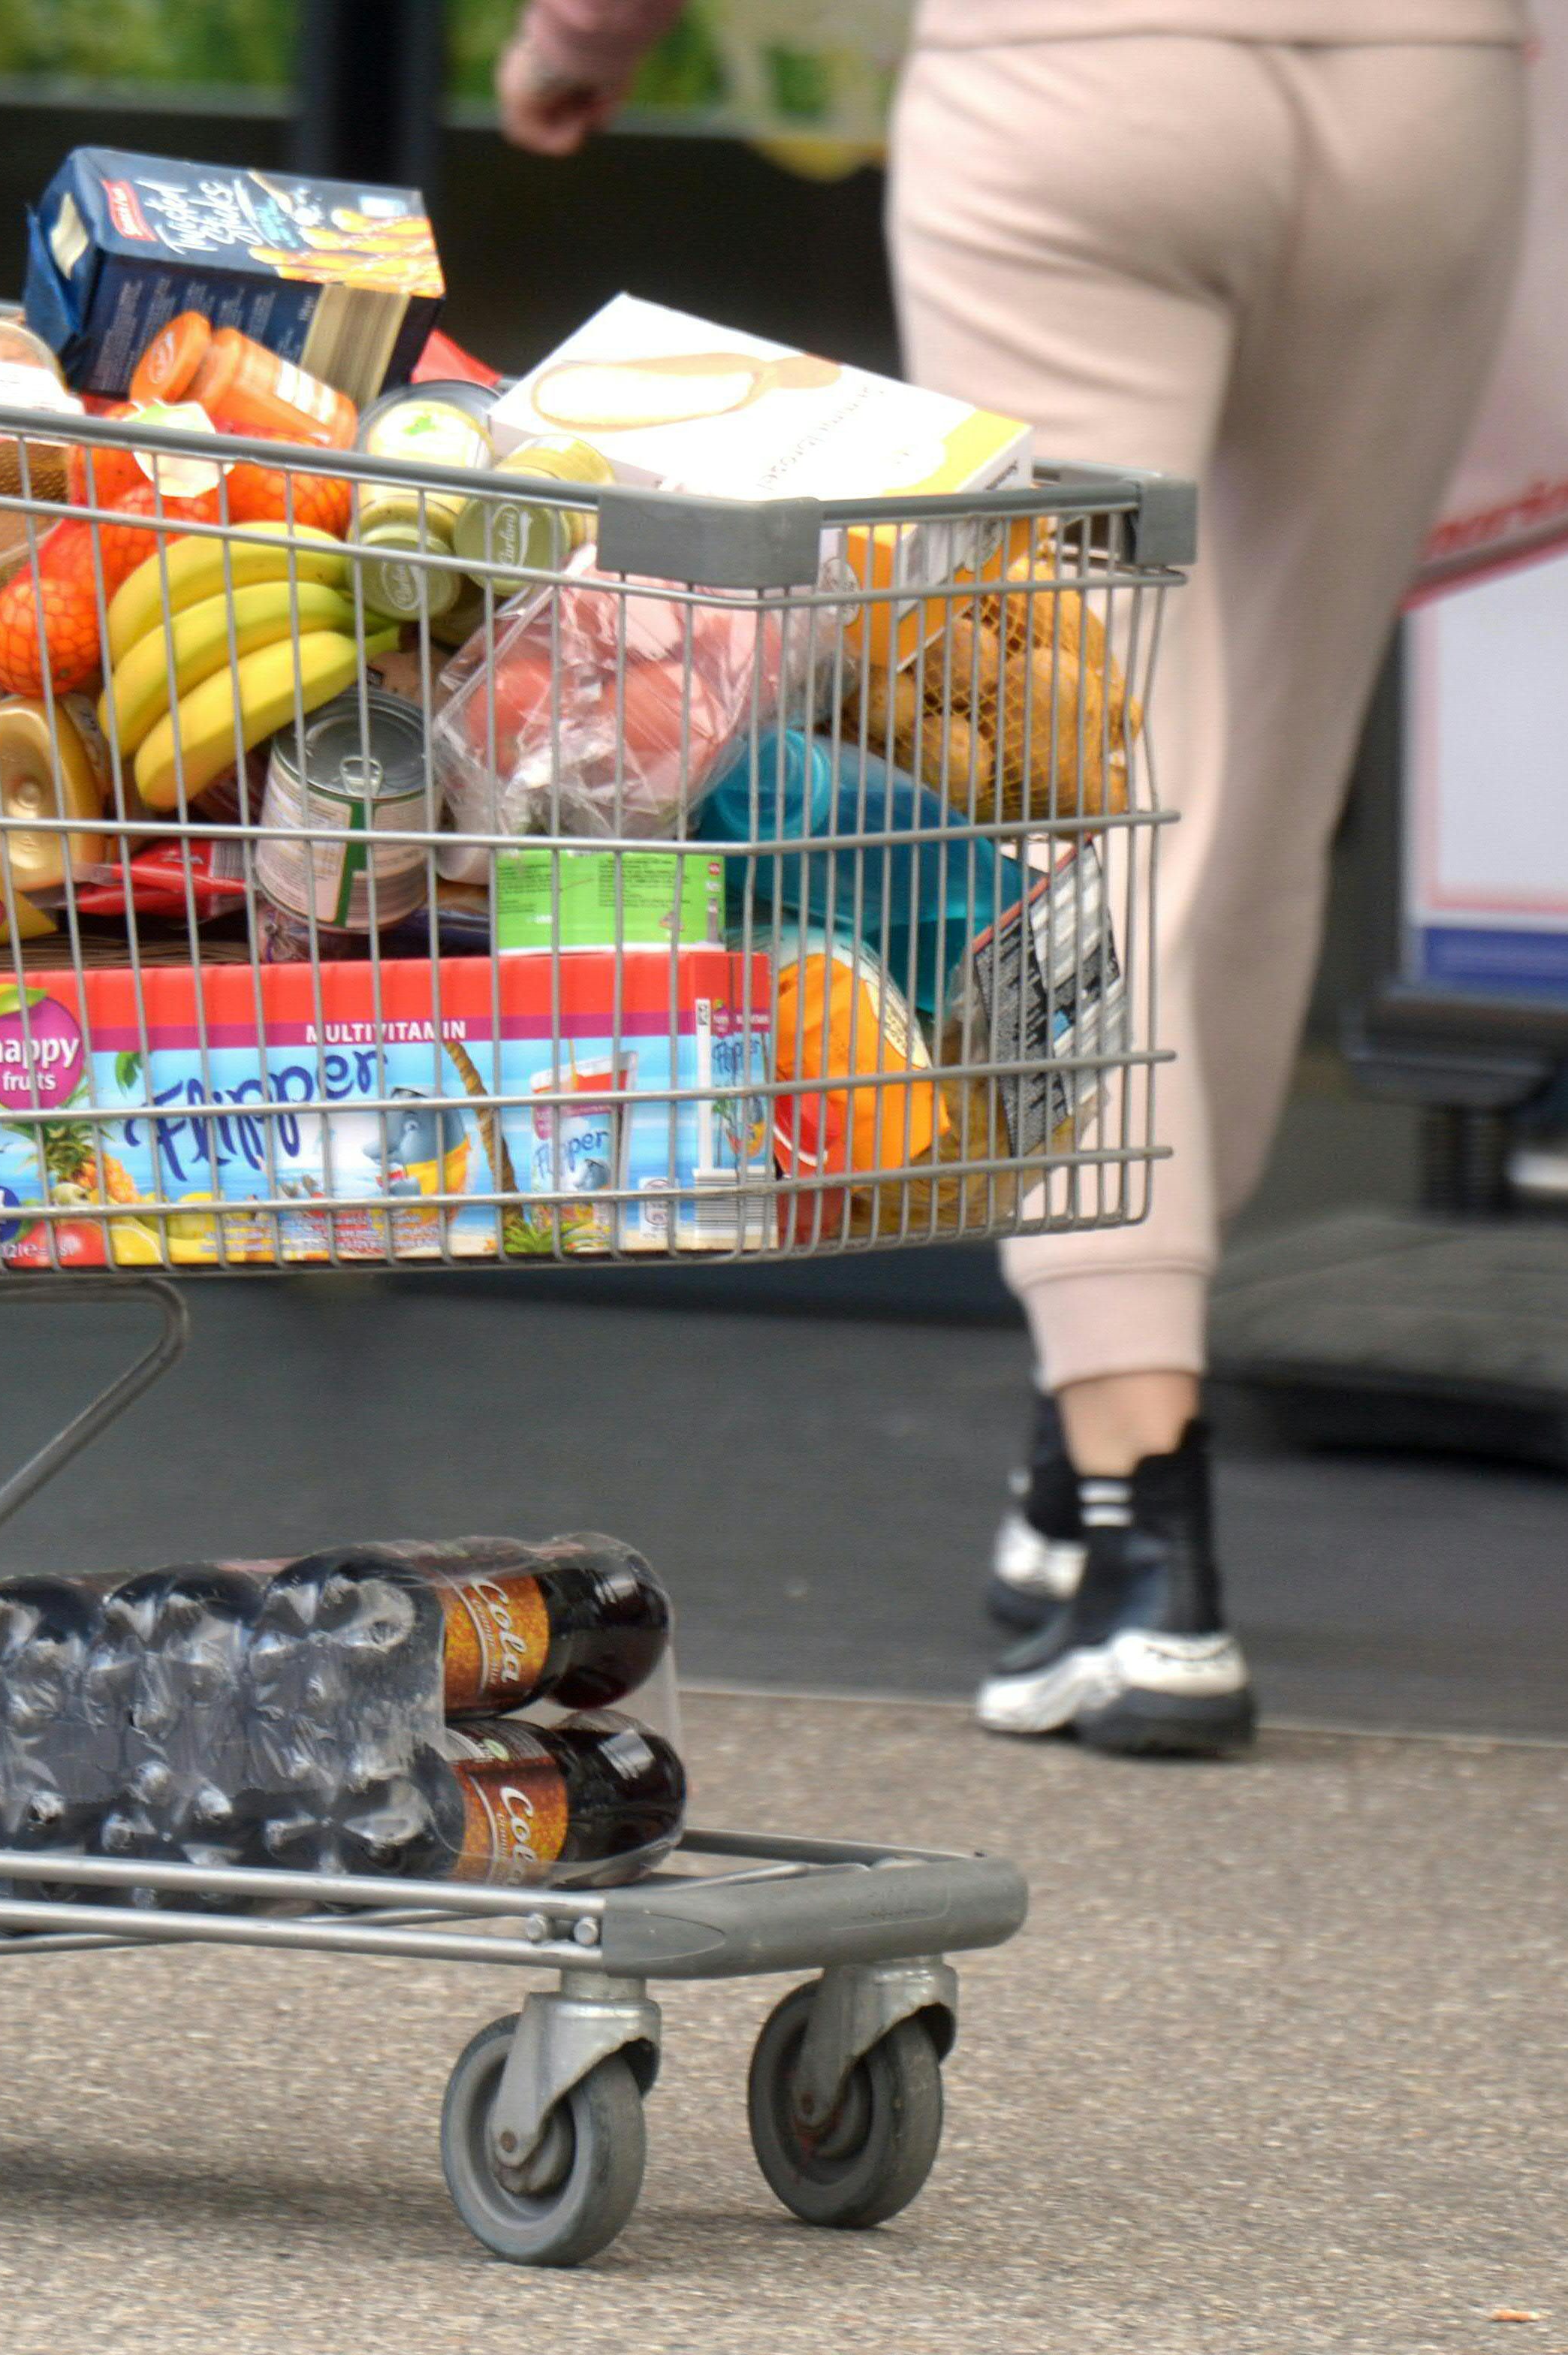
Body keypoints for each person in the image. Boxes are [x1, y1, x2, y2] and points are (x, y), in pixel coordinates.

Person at [497, 0, 1527, 1753]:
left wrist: (586, 36)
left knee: (1104, 794)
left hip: (1080, 83)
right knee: (1260, 791)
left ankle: (1144, 1531)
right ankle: (1090, 1433)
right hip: (1431, 91)